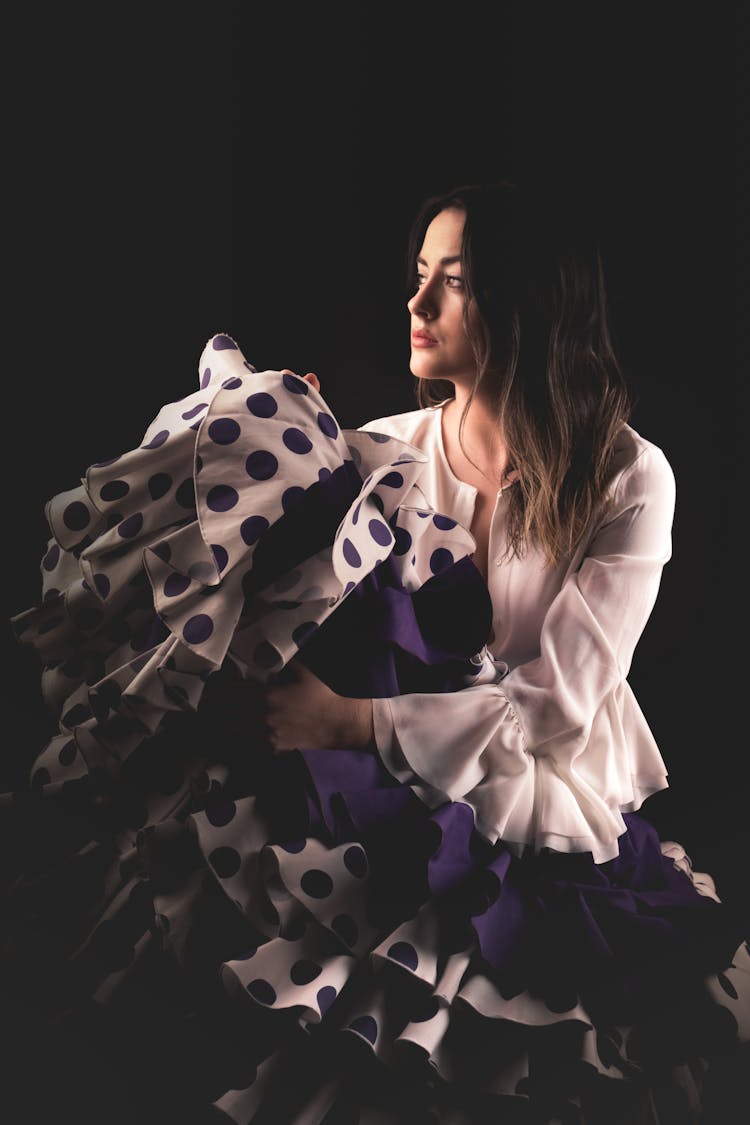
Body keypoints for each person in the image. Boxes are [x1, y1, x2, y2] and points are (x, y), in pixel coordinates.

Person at [3, 182, 748, 1124]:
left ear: (530, 302)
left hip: (531, 804)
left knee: (532, 1049)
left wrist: (351, 719)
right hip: (377, 798)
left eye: (454, 282)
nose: (417, 303)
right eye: (417, 277)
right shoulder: (383, 449)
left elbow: (552, 704)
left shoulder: (629, 474)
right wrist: (297, 475)